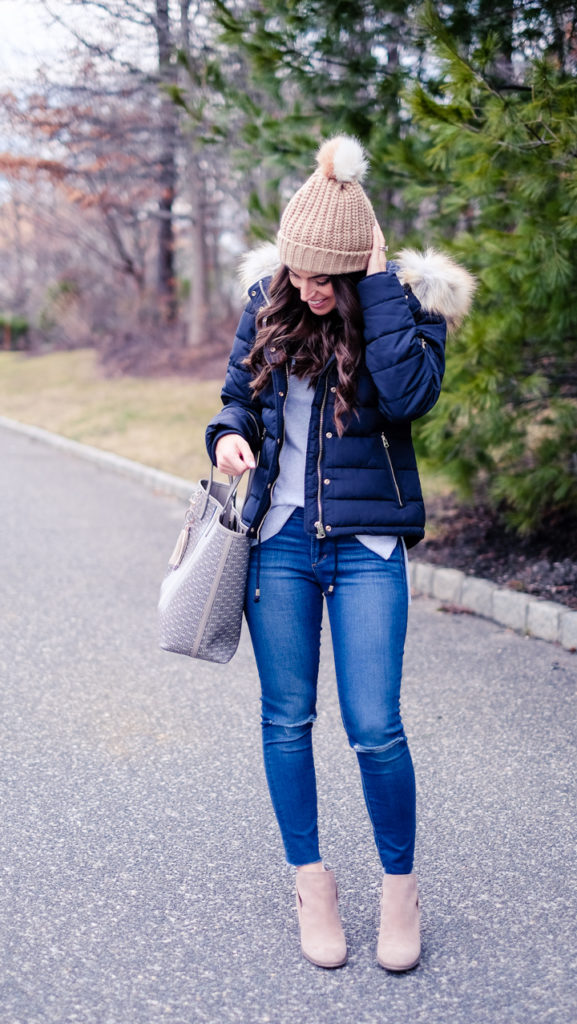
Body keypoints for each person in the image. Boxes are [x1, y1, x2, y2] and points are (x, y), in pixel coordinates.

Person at [205, 136, 475, 971]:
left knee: (375, 728)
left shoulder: (404, 309)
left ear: (358, 267)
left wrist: (383, 286)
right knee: (286, 722)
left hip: (367, 550)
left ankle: (400, 890)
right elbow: (235, 404)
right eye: (301, 275)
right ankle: (311, 884)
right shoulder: (269, 300)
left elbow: (405, 395)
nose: (312, 292)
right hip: (280, 546)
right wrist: (226, 441)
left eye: (328, 278)